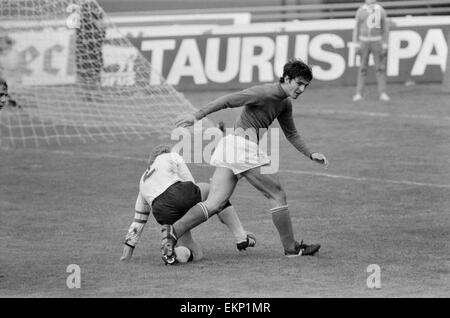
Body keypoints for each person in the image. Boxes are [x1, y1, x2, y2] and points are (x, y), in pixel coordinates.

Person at [160, 58, 329, 264]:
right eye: (299, 83)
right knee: (277, 194)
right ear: (286, 78)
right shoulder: (264, 92)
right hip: (241, 147)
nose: (302, 89)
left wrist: (310, 154)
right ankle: (292, 248)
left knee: (214, 203)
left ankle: (172, 232)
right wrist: (196, 116)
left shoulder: (284, 104)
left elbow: (291, 133)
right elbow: (228, 100)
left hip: (232, 147)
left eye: (305, 86)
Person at [120, 144, 256, 264]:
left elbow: (138, 221)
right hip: (179, 194)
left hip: (161, 211)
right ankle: (240, 236)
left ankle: (173, 254)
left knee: (196, 254)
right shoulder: (171, 156)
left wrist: (127, 253)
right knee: (213, 191)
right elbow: (190, 182)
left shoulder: (142, 181)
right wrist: (213, 202)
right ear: (165, 152)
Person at [352, 0, 390, 102]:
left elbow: (385, 29)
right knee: (362, 68)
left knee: (380, 68)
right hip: (364, 42)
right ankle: (359, 93)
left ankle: (382, 92)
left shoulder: (380, 11)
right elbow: (356, 28)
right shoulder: (361, 11)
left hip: (377, 42)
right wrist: (356, 44)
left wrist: (385, 44)